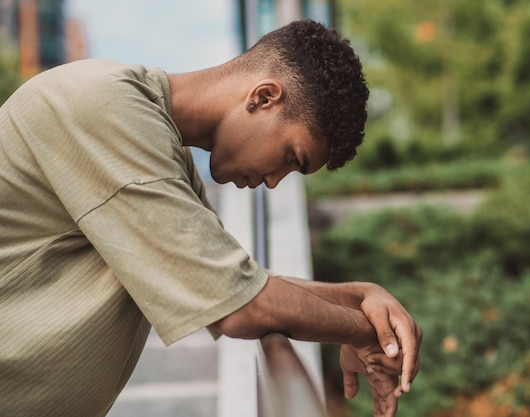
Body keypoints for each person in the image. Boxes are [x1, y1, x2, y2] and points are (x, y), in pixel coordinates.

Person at [0, 19, 422, 417]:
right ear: (263, 97)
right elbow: (240, 307)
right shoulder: (106, 108)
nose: (274, 182)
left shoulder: (160, 144)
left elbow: (232, 280)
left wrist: (358, 297)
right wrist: (360, 332)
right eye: (291, 157)